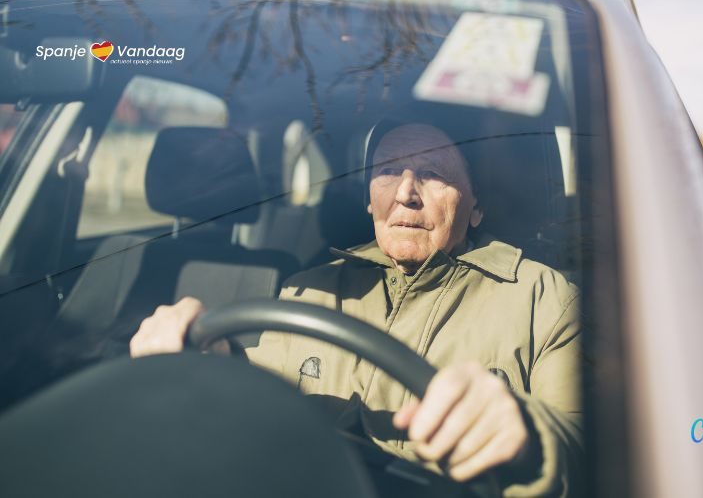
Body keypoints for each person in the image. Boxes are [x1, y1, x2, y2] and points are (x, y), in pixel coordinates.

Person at [130, 122, 583, 497]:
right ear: (369, 198)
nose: (406, 191)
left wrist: (527, 435)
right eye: (387, 172)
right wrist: (206, 366)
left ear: (477, 205)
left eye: (432, 173)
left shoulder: (545, 300)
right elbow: (260, 415)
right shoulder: (308, 290)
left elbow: (586, 451)